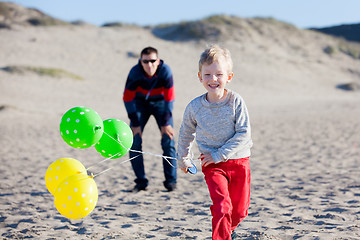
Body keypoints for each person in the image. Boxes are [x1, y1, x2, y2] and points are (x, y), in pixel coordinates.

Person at [176, 45, 253, 239]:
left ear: (229, 76)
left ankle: (229, 229)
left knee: (239, 211)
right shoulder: (194, 107)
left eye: (219, 74)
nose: (213, 79)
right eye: (208, 74)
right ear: (200, 77)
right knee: (221, 206)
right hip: (211, 164)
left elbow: (244, 134)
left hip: (239, 161)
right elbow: (186, 133)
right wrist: (183, 158)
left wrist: (221, 153)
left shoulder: (236, 101)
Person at [123, 46, 177, 192]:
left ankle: (171, 182)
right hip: (140, 104)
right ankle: (141, 182)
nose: (149, 65)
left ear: (158, 61)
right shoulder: (135, 72)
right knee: (134, 141)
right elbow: (127, 98)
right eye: (145, 61)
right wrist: (134, 122)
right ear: (141, 62)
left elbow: (169, 98)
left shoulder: (165, 71)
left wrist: (166, 123)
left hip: (161, 103)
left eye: (153, 61)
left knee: (168, 140)